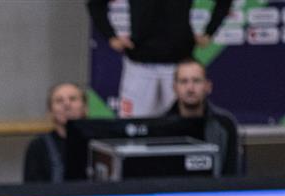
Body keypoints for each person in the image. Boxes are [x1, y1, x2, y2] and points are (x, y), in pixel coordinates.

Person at [87, 0, 232, 117]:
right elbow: (95, 4)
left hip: (178, 65)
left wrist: (209, 32)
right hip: (139, 66)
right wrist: (111, 37)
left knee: (180, 129)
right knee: (133, 129)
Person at [164, 57, 241, 176]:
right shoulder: (162, 126)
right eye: (184, 81)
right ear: (175, 88)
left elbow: (232, 174)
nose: (190, 88)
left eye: (196, 81)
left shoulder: (225, 125)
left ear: (208, 87)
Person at [22, 83, 88, 183]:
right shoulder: (38, 146)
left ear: (85, 108)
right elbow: (32, 189)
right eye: (59, 101)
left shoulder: (97, 145)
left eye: (73, 99)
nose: (66, 105)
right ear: (50, 111)